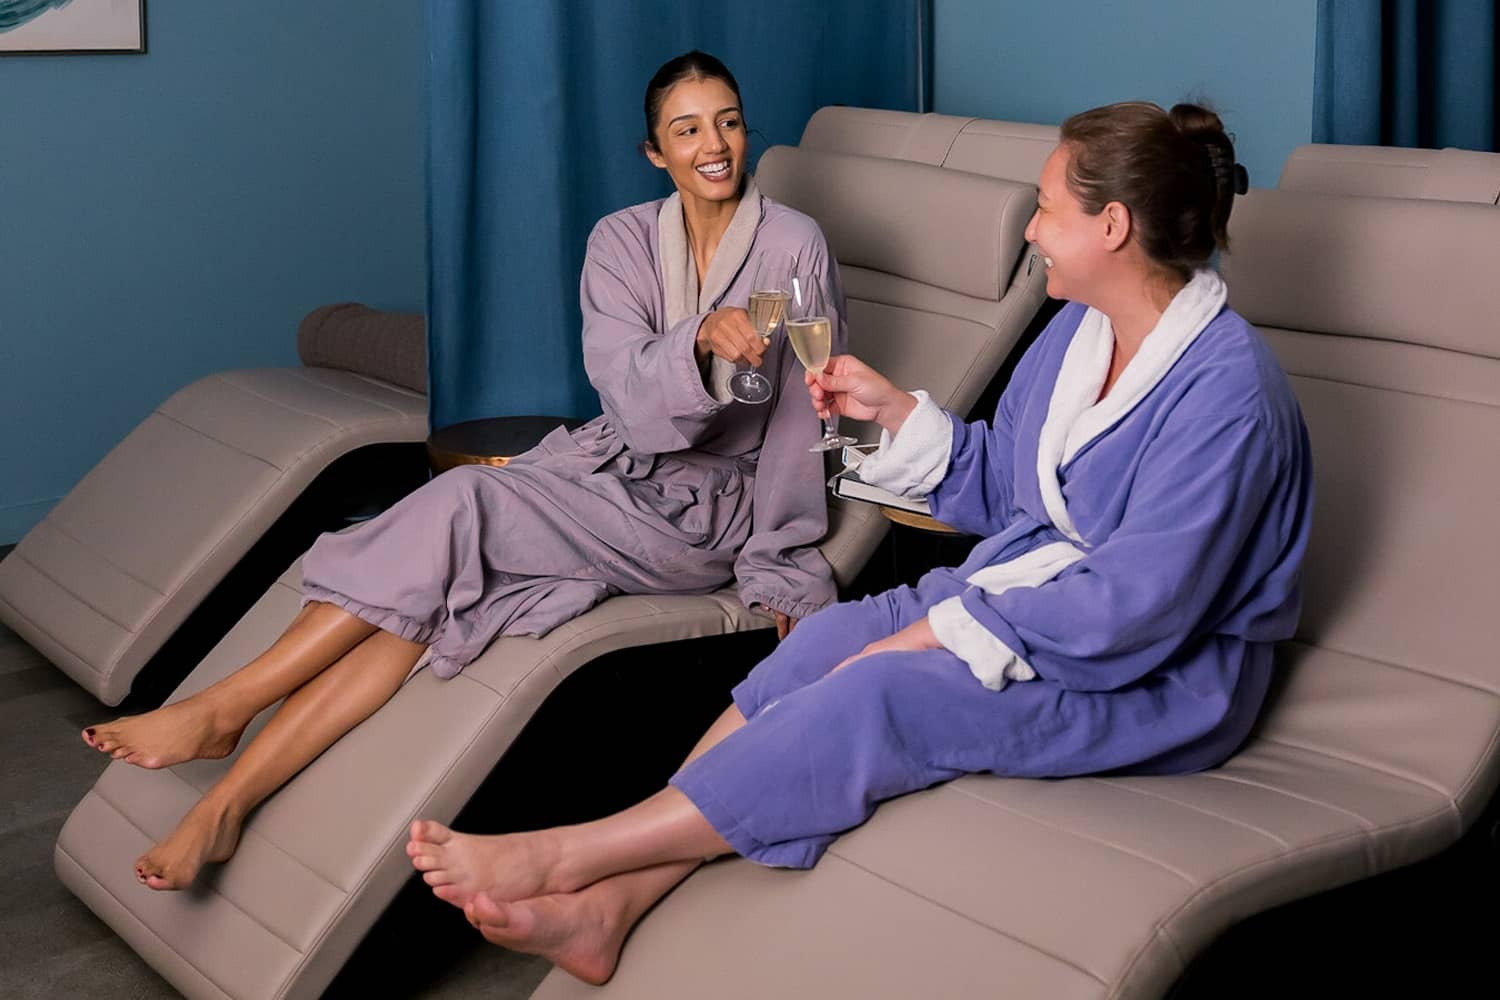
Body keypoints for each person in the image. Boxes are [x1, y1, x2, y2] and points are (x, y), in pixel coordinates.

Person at [400, 100, 1315, 985]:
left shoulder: (1228, 394)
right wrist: (891, 418)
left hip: (1163, 675)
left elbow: (1142, 602)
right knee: (835, 638)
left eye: (1044, 209)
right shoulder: (1079, 333)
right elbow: (1013, 485)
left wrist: (935, 633)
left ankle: (571, 857)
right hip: (1030, 597)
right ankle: (619, 898)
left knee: (878, 681)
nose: (1031, 232)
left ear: (1111, 225)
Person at [81, 50, 845, 891]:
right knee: (424, 597)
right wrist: (698, 336)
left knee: (463, 502)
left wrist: (782, 562)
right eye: (687, 128)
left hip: (704, 514)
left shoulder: (792, 245)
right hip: (609, 467)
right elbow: (623, 390)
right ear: (654, 152)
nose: (715, 144)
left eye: (729, 121)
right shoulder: (622, 241)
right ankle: (223, 807)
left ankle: (226, 706)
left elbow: (803, 412)